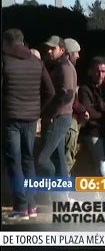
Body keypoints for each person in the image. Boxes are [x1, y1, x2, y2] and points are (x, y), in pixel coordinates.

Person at [2, 29, 55, 221]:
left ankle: (21, 206)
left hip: (11, 118)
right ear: (23, 42)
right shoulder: (37, 62)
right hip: (31, 119)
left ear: (7, 43)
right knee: (27, 160)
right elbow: (51, 91)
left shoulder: (5, 61)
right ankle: (31, 205)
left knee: (13, 161)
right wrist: (38, 110)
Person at [38, 36, 78, 179]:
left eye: (52, 48)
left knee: (42, 160)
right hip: (61, 116)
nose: (49, 51)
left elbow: (67, 94)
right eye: (48, 48)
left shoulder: (64, 68)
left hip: (59, 118)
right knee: (59, 158)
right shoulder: (61, 66)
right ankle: (61, 194)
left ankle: (55, 188)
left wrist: (50, 114)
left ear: (62, 50)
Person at [78, 57, 105, 177]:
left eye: (103, 71)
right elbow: (88, 109)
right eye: (97, 71)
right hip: (93, 130)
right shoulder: (85, 89)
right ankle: (101, 193)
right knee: (101, 165)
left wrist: (99, 110)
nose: (100, 75)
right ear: (91, 71)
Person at [62, 38, 88, 174]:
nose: (78, 56)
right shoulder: (69, 69)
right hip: (68, 121)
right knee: (67, 159)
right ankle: (63, 194)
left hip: (60, 120)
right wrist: (83, 110)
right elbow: (70, 97)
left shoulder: (57, 67)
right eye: (76, 53)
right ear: (69, 53)